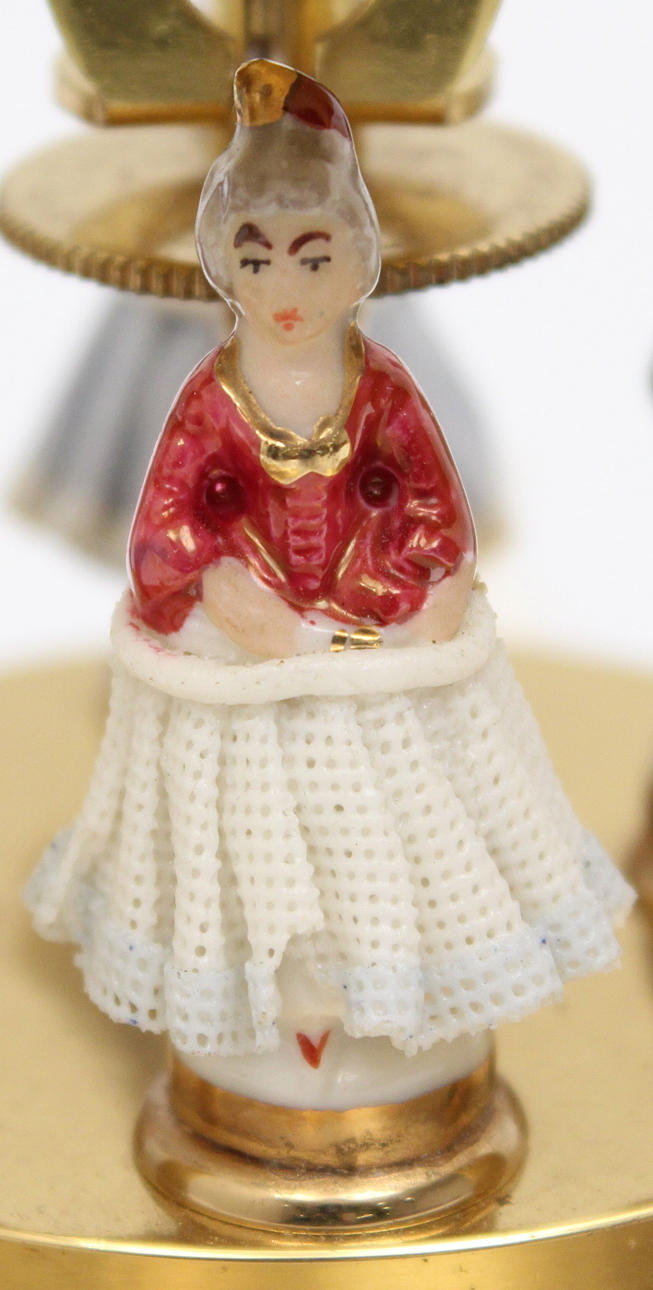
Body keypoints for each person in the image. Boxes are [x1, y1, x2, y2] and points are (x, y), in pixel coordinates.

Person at [25, 60, 633, 1111]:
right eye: (254, 258)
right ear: (221, 264)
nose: (285, 291)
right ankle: (266, 1012)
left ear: (358, 261)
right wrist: (221, 588)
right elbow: (168, 524)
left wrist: (417, 591)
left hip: (376, 649)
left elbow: (432, 509)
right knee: (261, 838)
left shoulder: (380, 389)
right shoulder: (212, 399)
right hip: (253, 665)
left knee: (395, 828)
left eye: (313, 258)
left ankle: (401, 1009)